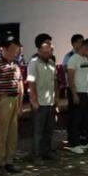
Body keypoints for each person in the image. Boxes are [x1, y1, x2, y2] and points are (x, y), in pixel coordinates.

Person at [0, 32, 24, 176]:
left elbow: (20, 83)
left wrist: (20, 104)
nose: (14, 53)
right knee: (1, 133)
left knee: (12, 133)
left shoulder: (16, 65)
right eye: (12, 50)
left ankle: (9, 161)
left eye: (16, 50)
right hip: (2, 100)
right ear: (3, 49)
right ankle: (0, 163)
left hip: (14, 100)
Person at [27, 33, 58, 161]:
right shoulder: (34, 63)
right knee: (38, 131)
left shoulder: (51, 63)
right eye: (45, 52)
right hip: (39, 102)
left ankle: (47, 152)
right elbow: (31, 83)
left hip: (50, 101)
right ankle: (36, 155)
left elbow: (54, 81)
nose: (48, 53)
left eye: (49, 51)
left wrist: (56, 99)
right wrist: (34, 101)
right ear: (39, 50)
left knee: (49, 130)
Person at [67, 38, 88, 154]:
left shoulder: (85, 59)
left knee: (86, 119)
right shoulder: (73, 59)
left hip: (86, 92)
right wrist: (74, 94)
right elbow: (70, 78)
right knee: (76, 119)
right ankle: (74, 143)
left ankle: (84, 141)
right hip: (78, 92)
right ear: (85, 47)